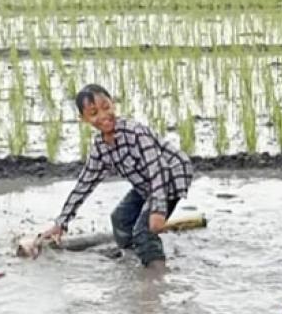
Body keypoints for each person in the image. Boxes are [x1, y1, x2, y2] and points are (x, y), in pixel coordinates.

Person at [40, 84, 193, 278]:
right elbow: (84, 184)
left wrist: (158, 210)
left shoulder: (135, 132)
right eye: (94, 113)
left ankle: (156, 276)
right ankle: (134, 257)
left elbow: (158, 169)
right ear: (84, 119)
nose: (104, 116)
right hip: (145, 181)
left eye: (106, 107)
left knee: (144, 230)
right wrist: (61, 223)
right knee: (120, 218)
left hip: (171, 173)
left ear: (113, 104)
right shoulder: (100, 148)